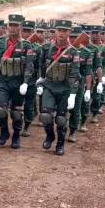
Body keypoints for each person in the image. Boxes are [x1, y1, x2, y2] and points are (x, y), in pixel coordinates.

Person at [0, 14, 35, 149]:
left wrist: (26, 82)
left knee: (16, 112)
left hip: (18, 82)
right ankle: (4, 132)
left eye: (16, 25)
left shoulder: (26, 45)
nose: (12, 28)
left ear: (20, 27)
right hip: (3, 80)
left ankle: (16, 135)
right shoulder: (0, 42)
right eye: (11, 25)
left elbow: (29, 65)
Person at [37, 19, 80, 155]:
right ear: (54, 31)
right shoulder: (46, 48)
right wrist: (40, 80)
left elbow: (74, 74)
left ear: (69, 32)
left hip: (65, 88)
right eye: (59, 30)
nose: (61, 33)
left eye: (64, 31)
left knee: (61, 119)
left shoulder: (73, 52)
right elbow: (41, 66)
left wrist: (73, 94)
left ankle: (60, 144)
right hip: (49, 86)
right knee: (45, 116)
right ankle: (50, 136)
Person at [67, 25, 93, 143]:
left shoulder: (86, 53)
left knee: (76, 109)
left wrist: (88, 89)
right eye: (70, 37)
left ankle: (72, 132)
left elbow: (88, 72)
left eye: (75, 37)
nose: (72, 39)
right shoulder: (63, 50)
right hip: (63, 83)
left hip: (78, 84)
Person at [20, 20, 40, 137]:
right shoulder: (17, 45)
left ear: (33, 32)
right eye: (24, 31)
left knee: (28, 105)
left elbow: (40, 65)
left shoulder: (37, 48)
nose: (26, 34)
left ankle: (26, 126)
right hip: (17, 79)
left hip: (31, 81)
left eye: (29, 31)